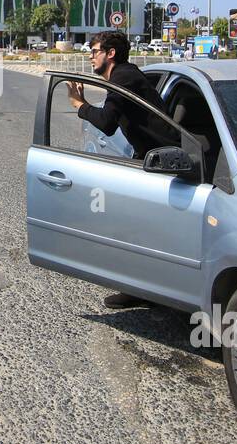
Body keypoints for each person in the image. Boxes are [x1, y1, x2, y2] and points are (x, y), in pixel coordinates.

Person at [66, 30, 175, 310]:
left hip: (166, 163)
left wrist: (80, 106)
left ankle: (145, 289)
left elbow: (107, 122)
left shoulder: (123, 76)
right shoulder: (124, 76)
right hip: (149, 159)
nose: (90, 56)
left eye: (94, 51)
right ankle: (140, 287)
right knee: (135, 226)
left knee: (136, 227)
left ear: (110, 53)